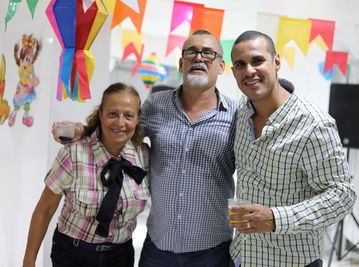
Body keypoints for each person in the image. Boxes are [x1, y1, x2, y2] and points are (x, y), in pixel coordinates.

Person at [52, 30, 237, 267]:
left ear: (221, 66)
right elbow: (121, 129)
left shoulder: (236, 116)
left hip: (212, 250)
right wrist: (84, 129)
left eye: (208, 53)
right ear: (181, 64)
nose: (198, 58)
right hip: (158, 247)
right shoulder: (156, 106)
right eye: (191, 52)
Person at [227, 30, 357, 266]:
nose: (249, 71)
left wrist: (276, 218)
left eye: (257, 60)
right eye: (240, 64)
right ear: (233, 70)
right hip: (243, 256)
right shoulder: (242, 112)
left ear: (276, 61)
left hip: (292, 261)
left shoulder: (314, 124)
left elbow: (342, 196)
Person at [23, 83, 150, 267]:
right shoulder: (73, 154)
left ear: (137, 119)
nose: (120, 122)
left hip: (121, 256)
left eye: (128, 116)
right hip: (72, 254)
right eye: (112, 114)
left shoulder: (144, 156)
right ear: (100, 114)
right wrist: (29, 261)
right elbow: (45, 210)